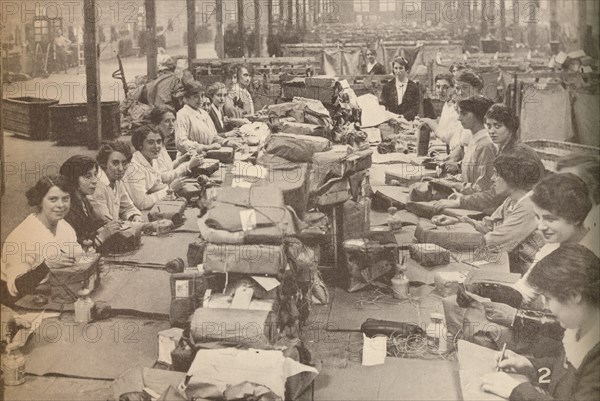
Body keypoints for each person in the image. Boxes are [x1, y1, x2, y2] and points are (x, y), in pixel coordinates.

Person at [480, 244, 600, 401]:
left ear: (574, 295)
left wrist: (517, 390)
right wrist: (529, 365)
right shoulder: (580, 329)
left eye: (548, 298)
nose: (545, 306)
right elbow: (565, 374)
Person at [434, 154, 544, 274]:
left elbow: (495, 241)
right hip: (508, 261)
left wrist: (445, 240)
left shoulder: (528, 206)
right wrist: (458, 221)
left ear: (512, 178)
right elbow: (489, 226)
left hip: (527, 271)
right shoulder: (511, 200)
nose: (492, 179)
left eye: (497, 174)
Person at [434, 104, 545, 215]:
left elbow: (495, 196)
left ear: (510, 127)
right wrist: (464, 197)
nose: (491, 131)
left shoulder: (515, 154)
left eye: (497, 126)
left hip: (530, 212)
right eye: (489, 126)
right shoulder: (507, 148)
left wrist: (459, 201)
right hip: (512, 207)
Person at [1, 175, 83, 306]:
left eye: (65, 199)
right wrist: (47, 265)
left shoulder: (64, 226)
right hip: (21, 304)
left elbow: (79, 257)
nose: (61, 205)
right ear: (40, 201)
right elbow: (14, 289)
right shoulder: (22, 236)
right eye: (53, 199)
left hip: (56, 294)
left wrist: (91, 264)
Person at [124, 124, 202, 210]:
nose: (156, 146)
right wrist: (170, 189)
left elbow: (157, 183)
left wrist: (182, 184)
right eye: (150, 142)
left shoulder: (151, 159)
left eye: (159, 141)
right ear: (139, 145)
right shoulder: (134, 167)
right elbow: (142, 203)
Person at [60, 156, 122, 248]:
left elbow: (92, 226)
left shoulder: (84, 200)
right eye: (88, 176)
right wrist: (101, 237)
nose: (95, 181)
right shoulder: (67, 209)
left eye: (95, 174)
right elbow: (76, 247)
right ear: (72, 179)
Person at [89, 140, 143, 224]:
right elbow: (107, 223)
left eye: (124, 163)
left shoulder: (116, 180)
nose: (121, 169)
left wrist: (135, 216)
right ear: (103, 163)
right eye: (115, 163)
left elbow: (128, 207)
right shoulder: (95, 186)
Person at [175, 81, 232, 156]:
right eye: (196, 96)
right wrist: (206, 147)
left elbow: (213, 137)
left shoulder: (204, 113)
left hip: (206, 156)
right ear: (186, 98)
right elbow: (181, 143)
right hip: (189, 159)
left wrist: (227, 142)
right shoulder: (182, 114)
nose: (200, 99)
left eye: (201, 96)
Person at [418, 73, 465, 153]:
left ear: (454, 88)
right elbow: (444, 126)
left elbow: (445, 136)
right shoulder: (447, 104)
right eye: (438, 86)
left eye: (445, 87)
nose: (440, 91)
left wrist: (429, 122)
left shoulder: (457, 107)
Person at [379, 56, 420, 121]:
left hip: (408, 121)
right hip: (391, 121)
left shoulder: (413, 87)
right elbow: (382, 105)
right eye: (396, 68)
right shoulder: (388, 86)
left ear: (406, 70)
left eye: (401, 68)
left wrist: (403, 117)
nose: (398, 71)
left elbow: (415, 108)